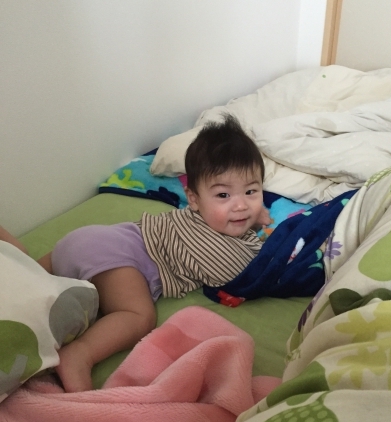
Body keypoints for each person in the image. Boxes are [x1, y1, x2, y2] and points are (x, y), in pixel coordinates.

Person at [0, 115, 270, 392]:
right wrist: (262, 234)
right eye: (223, 195)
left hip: (82, 240)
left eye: (251, 191)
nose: (241, 206)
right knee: (138, 315)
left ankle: (11, 254)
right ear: (194, 199)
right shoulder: (215, 246)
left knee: (28, 278)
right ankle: (80, 355)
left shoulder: (193, 215)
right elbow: (240, 273)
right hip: (117, 256)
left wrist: (252, 219)